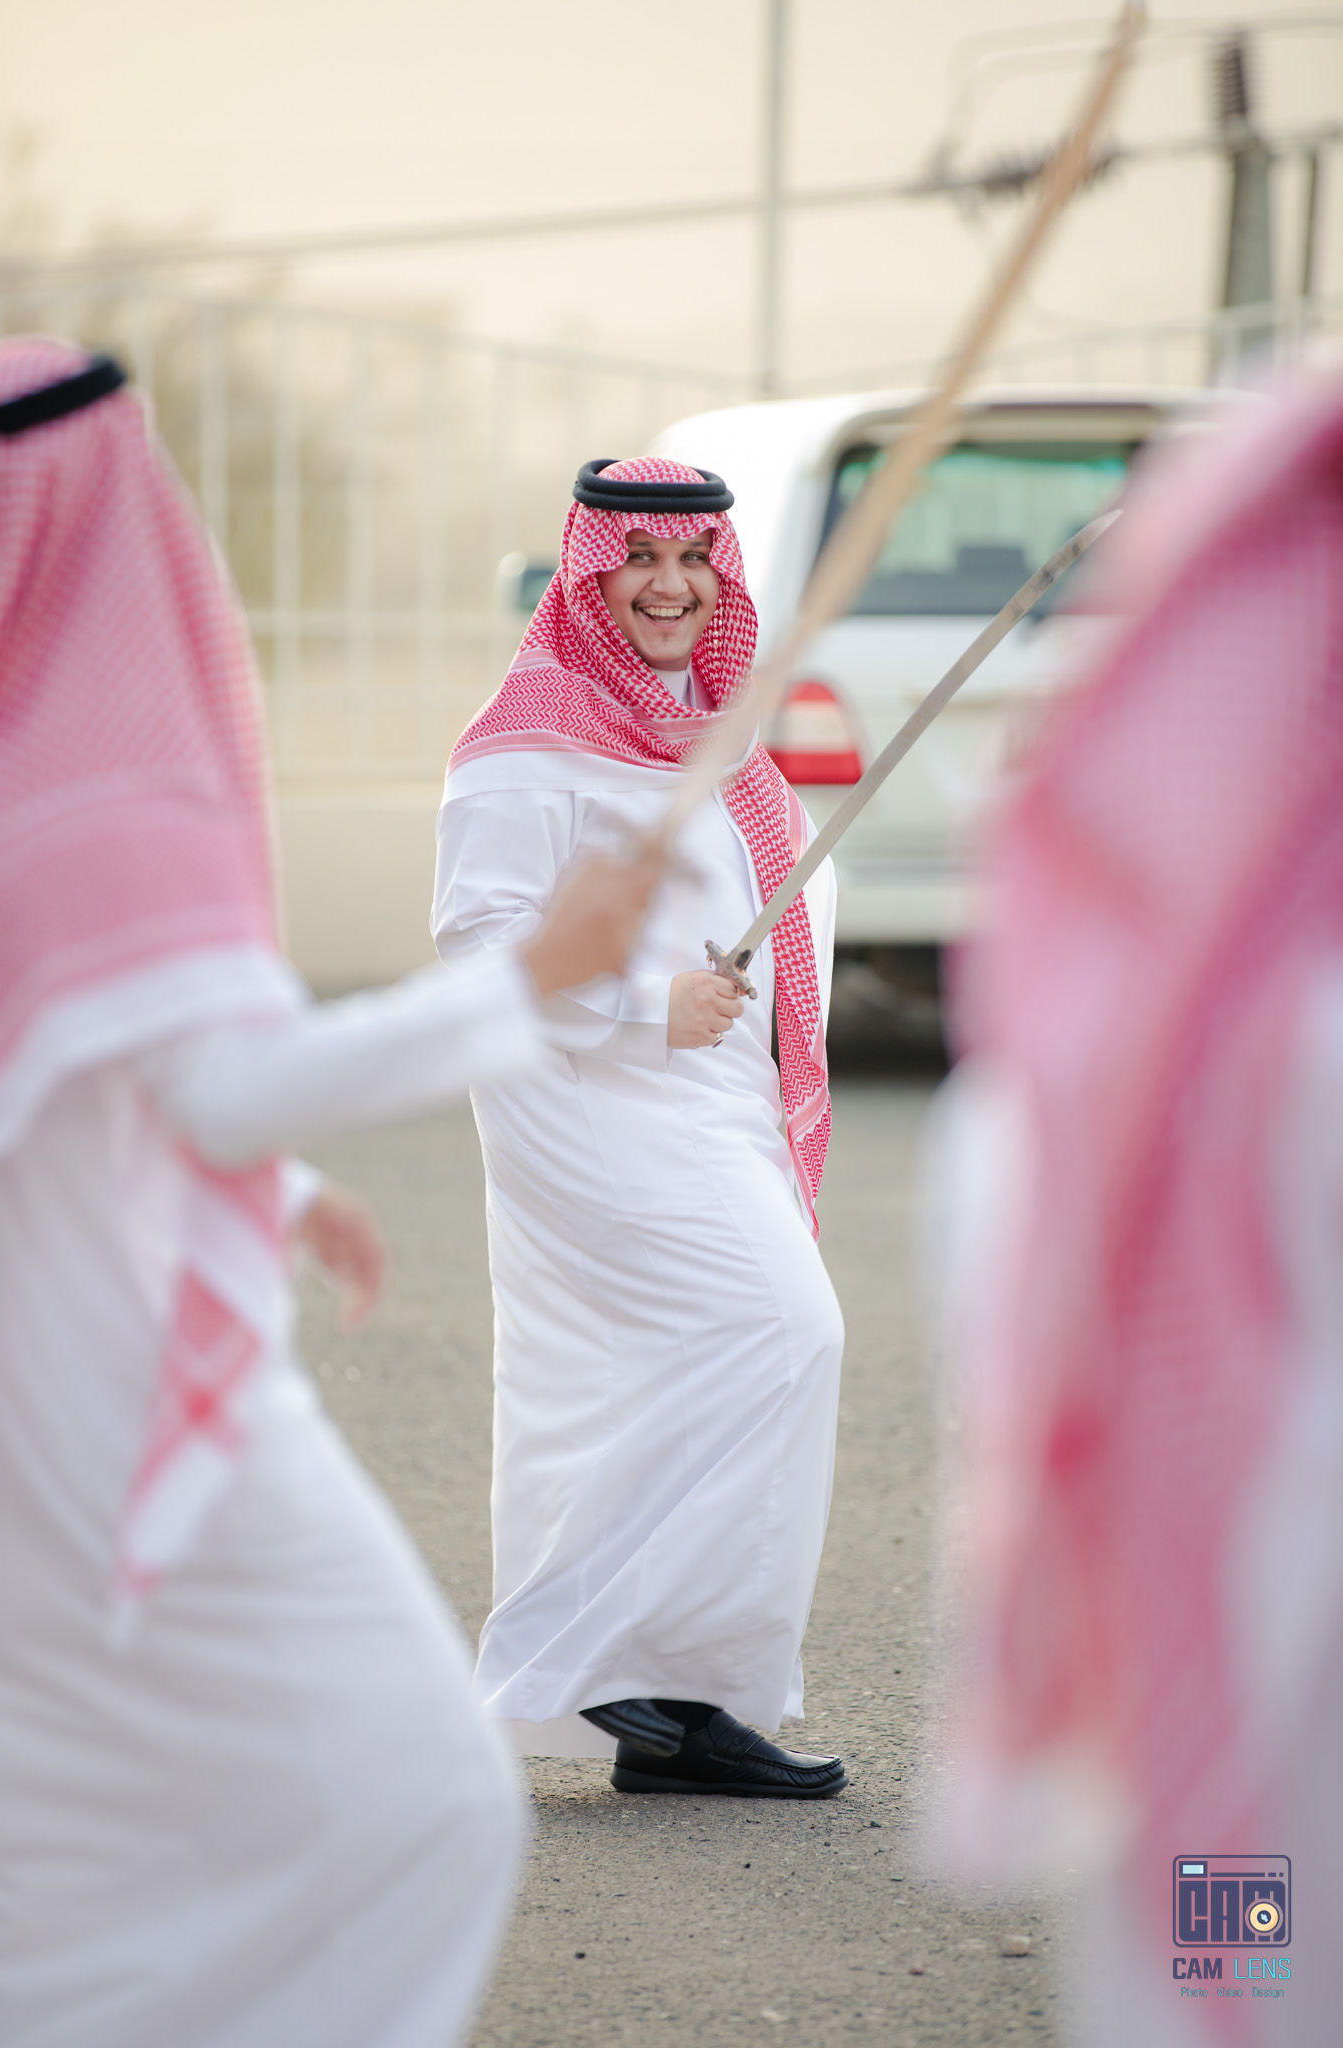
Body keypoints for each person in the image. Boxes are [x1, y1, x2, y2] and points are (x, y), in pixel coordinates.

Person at [0, 337, 659, 2048]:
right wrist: (536, 974)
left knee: (57, 1856)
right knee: (423, 1808)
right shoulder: (89, 799)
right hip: (96, 1391)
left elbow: (66, 1078)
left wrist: (276, 1195)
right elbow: (216, 1083)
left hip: (18, 1405)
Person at [935, 366, 1343, 2043]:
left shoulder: (1075, 1067)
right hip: (1253, 1741)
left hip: (1200, 1762)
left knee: (1215, 1962)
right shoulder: (1256, 1062)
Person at [434, 455, 847, 1798]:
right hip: (587, 1100)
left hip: (708, 1096)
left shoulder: (710, 728)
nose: (670, 588)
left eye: (693, 562)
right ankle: (594, 1650)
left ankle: (688, 1703)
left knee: (703, 1367)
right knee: (782, 1330)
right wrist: (639, 1006)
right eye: (641, 562)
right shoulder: (524, 742)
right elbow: (476, 950)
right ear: (589, 573)